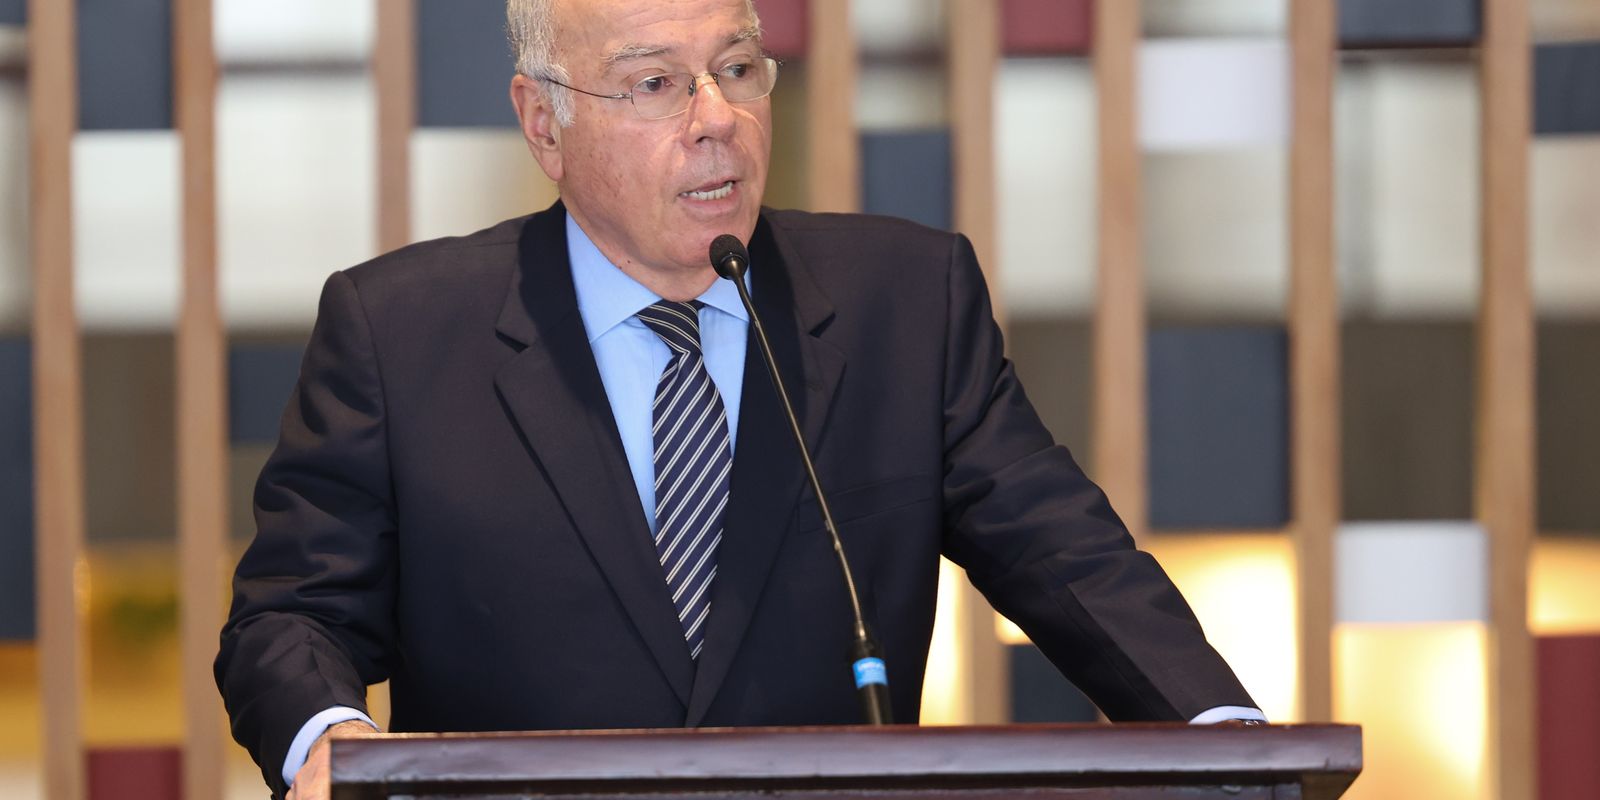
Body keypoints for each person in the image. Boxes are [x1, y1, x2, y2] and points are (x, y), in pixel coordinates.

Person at [215, 0, 1264, 797]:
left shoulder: (905, 303)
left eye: (737, 69)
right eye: (655, 84)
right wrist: (328, 740)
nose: (716, 118)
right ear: (544, 124)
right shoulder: (401, 333)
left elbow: (1065, 555)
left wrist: (1228, 739)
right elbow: (293, 613)